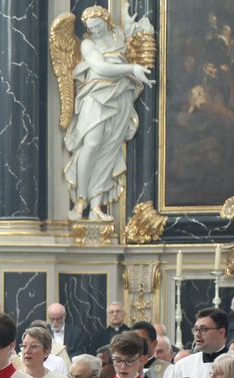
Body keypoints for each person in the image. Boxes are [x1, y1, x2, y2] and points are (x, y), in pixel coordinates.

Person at [61, 5, 152, 220]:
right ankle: (80, 200)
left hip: (121, 97)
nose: (96, 30)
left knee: (110, 149)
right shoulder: (87, 44)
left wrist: (132, 24)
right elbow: (100, 68)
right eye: (91, 27)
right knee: (91, 144)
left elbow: (132, 38)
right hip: (96, 96)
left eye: (99, 25)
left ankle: (95, 205)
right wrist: (131, 69)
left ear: (107, 21)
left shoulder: (117, 35)